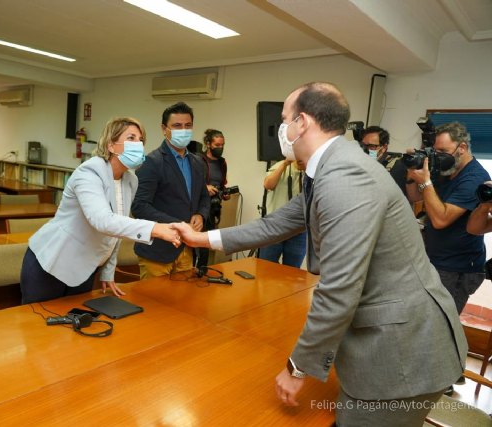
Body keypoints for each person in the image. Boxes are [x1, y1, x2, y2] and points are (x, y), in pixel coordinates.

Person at [173, 82, 466, 426]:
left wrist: (298, 367)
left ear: (303, 123)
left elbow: (340, 286)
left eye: (284, 120)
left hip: (401, 352)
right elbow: (273, 225)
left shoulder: (345, 177)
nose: (281, 129)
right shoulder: (332, 167)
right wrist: (202, 239)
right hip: (394, 338)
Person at [20, 117, 181, 304]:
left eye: (140, 140)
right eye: (131, 138)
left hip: (86, 266)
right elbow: (103, 221)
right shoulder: (89, 173)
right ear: (111, 145)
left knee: (74, 325)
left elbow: (115, 233)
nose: (138, 144)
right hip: (51, 262)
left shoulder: (130, 180)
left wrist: (108, 270)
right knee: (39, 328)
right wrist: (155, 228)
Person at [406, 122, 490, 314]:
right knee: (422, 318)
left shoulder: (474, 178)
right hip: (434, 259)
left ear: (462, 148)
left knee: (441, 325)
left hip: (457, 267)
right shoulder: (447, 170)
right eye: (436, 151)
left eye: (443, 151)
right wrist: (412, 173)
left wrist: (426, 182)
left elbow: (441, 220)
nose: (439, 157)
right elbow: (415, 196)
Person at [131, 102, 210, 279]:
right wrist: (178, 224)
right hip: (157, 250)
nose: (183, 130)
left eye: (187, 126)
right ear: (164, 129)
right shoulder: (151, 162)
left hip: (187, 249)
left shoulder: (198, 162)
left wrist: (201, 214)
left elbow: (204, 197)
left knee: (182, 302)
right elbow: (139, 206)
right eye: (177, 126)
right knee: (155, 304)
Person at [257, 159, 306, 268]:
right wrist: (285, 164)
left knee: (292, 273)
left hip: (299, 229)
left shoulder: (311, 170)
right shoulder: (281, 165)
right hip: (275, 227)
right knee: (266, 268)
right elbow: (268, 185)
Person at [196, 128, 228, 268]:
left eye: (222, 145)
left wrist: (224, 192)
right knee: (195, 241)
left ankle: (202, 270)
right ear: (208, 144)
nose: (220, 148)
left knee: (206, 241)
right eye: (217, 145)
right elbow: (190, 183)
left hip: (213, 207)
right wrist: (204, 188)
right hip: (198, 207)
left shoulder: (222, 162)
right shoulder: (198, 160)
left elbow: (222, 183)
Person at [361, 125, 407, 194]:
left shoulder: (396, 166)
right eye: (363, 145)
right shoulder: (361, 162)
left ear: (384, 147)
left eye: (371, 146)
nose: (365, 150)